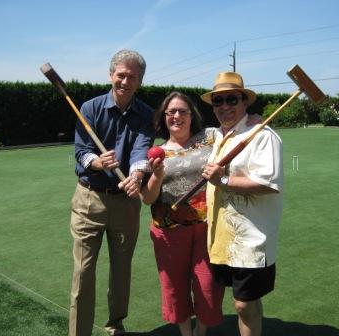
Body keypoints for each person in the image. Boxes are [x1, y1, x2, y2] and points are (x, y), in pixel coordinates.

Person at [69, 49, 154, 336]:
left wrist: (137, 175)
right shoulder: (90, 108)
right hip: (89, 199)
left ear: (139, 81)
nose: (125, 81)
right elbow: (81, 151)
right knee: (83, 273)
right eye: (121, 75)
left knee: (121, 271)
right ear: (111, 75)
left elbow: (142, 150)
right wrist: (96, 161)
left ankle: (115, 325)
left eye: (132, 77)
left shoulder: (146, 114)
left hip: (125, 203)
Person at [200, 72, 284, 336]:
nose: (225, 106)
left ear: (245, 102)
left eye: (232, 99)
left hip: (250, 240)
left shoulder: (262, 135)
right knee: (247, 303)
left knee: (242, 304)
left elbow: (268, 184)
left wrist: (223, 179)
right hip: (223, 239)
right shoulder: (219, 136)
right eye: (218, 101)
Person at [140, 91, 224, 336]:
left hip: (207, 227)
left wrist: (251, 119)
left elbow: (233, 131)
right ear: (164, 117)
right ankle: (187, 334)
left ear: (191, 114)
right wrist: (157, 174)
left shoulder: (210, 137)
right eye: (171, 112)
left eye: (182, 111)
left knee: (208, 284)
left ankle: (201, 332)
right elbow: (147, 199)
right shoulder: (156, 152)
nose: (177, 116)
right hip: (168, 231)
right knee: (174, 286)